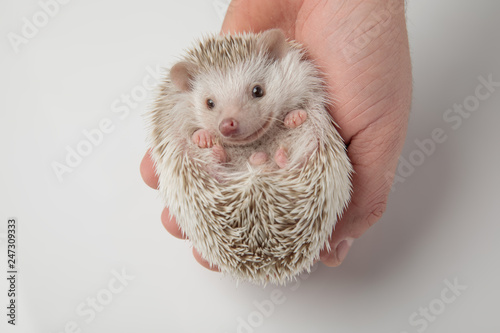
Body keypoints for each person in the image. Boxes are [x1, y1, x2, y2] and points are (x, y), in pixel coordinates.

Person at [140, 0, 412, 270]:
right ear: (189, 90)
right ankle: (244, 160)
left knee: (304, 135)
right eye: (211, 104)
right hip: (245, 163)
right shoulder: (184, 113)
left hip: (277, 156)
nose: (229, 121)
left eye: (256, 92)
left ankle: (260, 162)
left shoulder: (294, 87)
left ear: (276, 57)